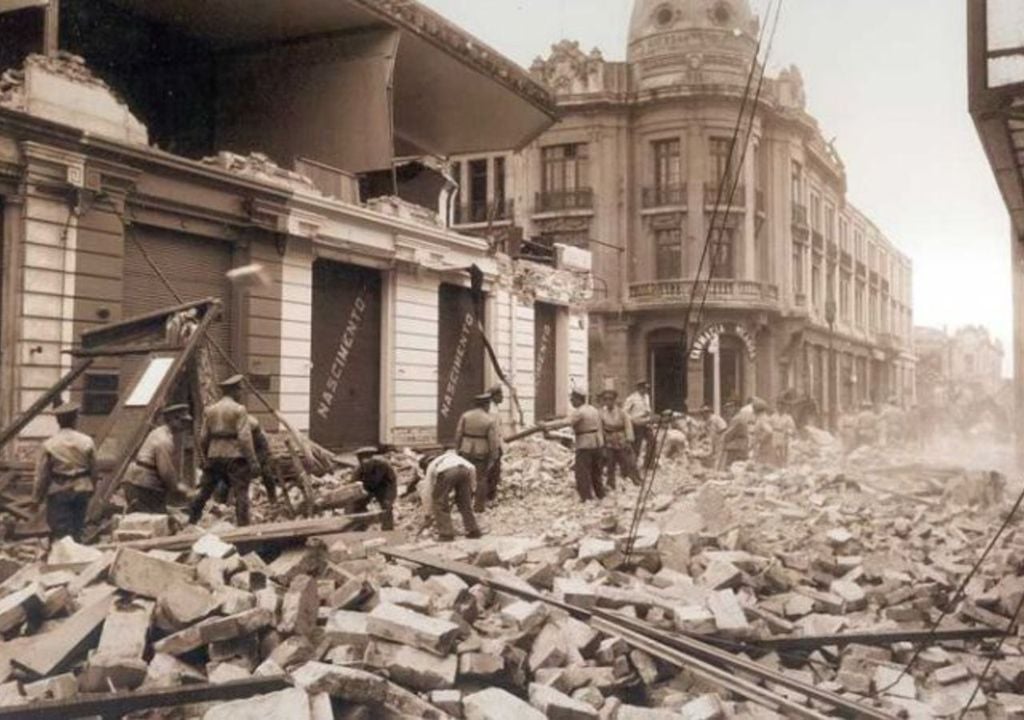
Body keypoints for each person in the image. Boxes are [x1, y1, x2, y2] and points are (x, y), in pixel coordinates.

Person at [189, 375, 259, 527]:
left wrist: (206, 457)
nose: (240, 393)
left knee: (204, 492)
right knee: (241, 494)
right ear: (234, 391)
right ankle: (243, 528)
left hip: (214, 456)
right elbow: (245, 438)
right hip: (235, 457)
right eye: (239, 390)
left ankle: (191, 521)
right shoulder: (239, 409)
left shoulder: (210, 410)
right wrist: (253, 461)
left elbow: (203, 438)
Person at [32, 402, 97, 542]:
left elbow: (42, 475)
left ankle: (63, 557)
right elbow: (94, 469)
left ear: (58, 421)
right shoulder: (87, 441)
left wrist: (36, 498)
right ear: (75, 419)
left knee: (60, 531)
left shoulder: (49, 444)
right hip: (82, 487)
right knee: (78, 527)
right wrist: (92, 488)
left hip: (59, 489)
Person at [124, 404, 193, 516]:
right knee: (153, 520)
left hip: (138, 482)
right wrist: (180, 488)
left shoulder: (159, 432)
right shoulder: (164, 440)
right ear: (173, 419)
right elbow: (166, 472)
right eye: (183, 422)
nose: (185, 426)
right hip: (143, 486)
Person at [544, 389, 606, 502]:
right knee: (596, 472)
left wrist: (547, 425)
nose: (571, 401)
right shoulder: (593, 409)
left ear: (578, 399)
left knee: (582, 472)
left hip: (585, 444)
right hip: (597, 444)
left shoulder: (579, 412)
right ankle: (600, 494)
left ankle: (586, 497)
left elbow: (566, 422)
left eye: (573, 399)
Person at [421, 450, 483, 542]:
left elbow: (427, 492)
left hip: (448, 473)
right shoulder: (453, 457)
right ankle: (473, 530)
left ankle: (446, 534)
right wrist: (472, 489)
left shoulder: (432, 466)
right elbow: (472, 468)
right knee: (464, 503)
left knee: (439, 502)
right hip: (464, 471)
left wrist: (427, 515)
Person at [454, 393, 501, 513]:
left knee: (465, 478)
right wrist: (494, 456)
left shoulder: (465, 416)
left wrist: (457, 449)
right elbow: (493, 441)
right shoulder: (489, 420)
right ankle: (479, 507)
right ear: (485, 405)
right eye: (488, 404)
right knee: (481, 479)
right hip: (481, 451)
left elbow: (458, 434)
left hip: (465, 449)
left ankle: (464, 505)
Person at [599, 389, 641, 489]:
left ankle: (635, 479)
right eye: (606, 399)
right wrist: (602, 442)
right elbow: (600, 428)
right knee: (610, 464)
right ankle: (610, 483)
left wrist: (629, 439)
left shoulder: (622, 413)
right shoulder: (601, 413)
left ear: (614, 400)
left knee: (629, 461)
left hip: (622, 440)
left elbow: (628, 426)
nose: (608, 401)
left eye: (610, 399)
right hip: (609, 441)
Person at [352, 447, 398, 531]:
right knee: (357, 506)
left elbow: (392, 481)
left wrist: (389, 498)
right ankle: (359, 527)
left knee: (386, 506)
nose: (365, 463)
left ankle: (387, 529)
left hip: (384, 487)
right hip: (367, 488)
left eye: (368, 459)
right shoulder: (358, 470)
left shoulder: (384, 465)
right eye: (363, 461)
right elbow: (353, 486)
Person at [624, 380, 655, 470]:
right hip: (636, 424)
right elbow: (625, 412)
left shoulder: (646, 397)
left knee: (652, 441)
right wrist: (632, 420)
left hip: (646, 423)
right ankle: (632, 466)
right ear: (639, 388)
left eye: (646, 388)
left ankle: (648, 465)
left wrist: (649, 416)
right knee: (637, 445)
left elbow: (648, 409)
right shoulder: (631, 398)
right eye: (643, 388)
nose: (645, 390)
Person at [486, 384, 506, 504]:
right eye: (501, 395)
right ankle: (490, 497)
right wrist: (496, 448)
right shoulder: (492, 411)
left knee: (493, 471)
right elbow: (493, 431)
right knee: (493, 472)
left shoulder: (494, 408)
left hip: (494, 444)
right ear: (494, 396)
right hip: (493, 445)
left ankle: (490, 496)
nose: (503, 397)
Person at [750, 401, 775, 465]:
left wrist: (760, 440)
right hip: (763, 447)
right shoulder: (762, 418)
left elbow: (769, 431)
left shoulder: (762, 419)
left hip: (764, 447)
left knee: (762, 465)